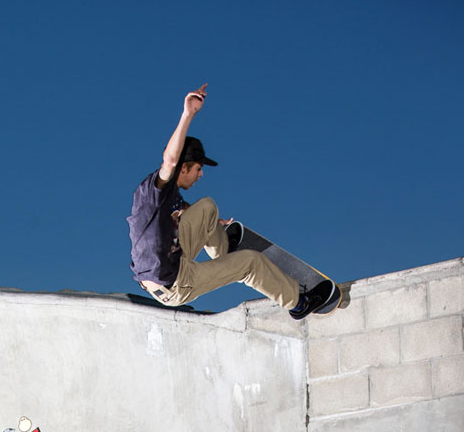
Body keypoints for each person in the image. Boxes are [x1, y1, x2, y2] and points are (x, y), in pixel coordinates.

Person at [127, 84, 335, 319]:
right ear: (184, 167)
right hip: (174, 284)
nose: (200, 174)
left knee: (207, 207)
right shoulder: (158, 186)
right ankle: (298, 303)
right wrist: (188, 114)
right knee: (251, 263)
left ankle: (223, 251)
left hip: (166, 262)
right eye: (198, 169)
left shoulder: (164, 194)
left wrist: (213, 227)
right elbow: (170, 160)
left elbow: (180, 209)